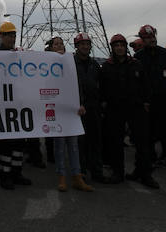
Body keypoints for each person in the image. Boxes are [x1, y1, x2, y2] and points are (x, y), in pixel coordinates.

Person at [100, 34, 156, 188]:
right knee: (116, 142)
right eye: (116, 45)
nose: (119, 48)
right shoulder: (107, 66)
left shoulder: (136, 64)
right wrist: (104, 105)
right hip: (115, 109)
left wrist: (146, 102)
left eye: (122, 45)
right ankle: (118, 172)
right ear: (112, 48)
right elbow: (102, 89)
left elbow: (146, 85)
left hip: (136, 108)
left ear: (125, 47)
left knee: (142, 142)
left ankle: (144, 173)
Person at [133, 24, 166, 189]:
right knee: (146, 143)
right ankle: (145, 175)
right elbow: (136, 83)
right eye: (147, 37)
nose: (151, 39)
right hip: (148, 108)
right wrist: (143, 101)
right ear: (143, 39)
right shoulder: (139, 58)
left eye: (153, 36)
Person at [47, 36, 92, 192]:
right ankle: (61, 177)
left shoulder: (71, 62)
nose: (59, 46)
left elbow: (77, 85)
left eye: (61, 43)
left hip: (71, 109)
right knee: (59, 145)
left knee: (73, 145)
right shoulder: (45, 63)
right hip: (55, 108)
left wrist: (80, 103)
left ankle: (76, 176)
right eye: (56, 44)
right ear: (51, 48)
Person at [0, 21, 33, 190]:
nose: (12, 38)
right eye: (9, 35)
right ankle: (5, 175)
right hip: (4, 107)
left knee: (19, 143)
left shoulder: (19, 54)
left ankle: (17, 173)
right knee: (6, 145)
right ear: (1, 36)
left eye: (14, 35)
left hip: (19, 105)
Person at [73, 32, 104, 184]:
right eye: (81, 44)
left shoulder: (95, 65)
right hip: (78, 109)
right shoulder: (70, 63)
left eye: (87, 44)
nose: (85, 46)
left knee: (95, 141)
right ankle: (81, 172)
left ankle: (97, 171)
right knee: (81, 143)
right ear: (77, 47)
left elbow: (101, 86)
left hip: (93, 108)